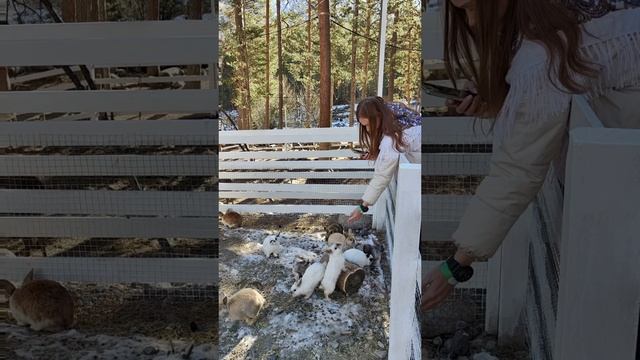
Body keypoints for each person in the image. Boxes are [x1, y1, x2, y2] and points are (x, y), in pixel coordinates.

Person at [421, 0, 640, 310]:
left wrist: (455, 266)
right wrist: (500, 103)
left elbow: (517, 170)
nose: (470, 22)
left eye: (472, 7)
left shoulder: (542, 57)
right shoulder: (565, 18)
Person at [347, 97, 421, 224]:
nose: (368, 130)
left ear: (378, 117)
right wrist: (378, 155)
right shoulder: (401, 119)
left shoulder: (392, 139)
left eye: (369, 125)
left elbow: (382, 176)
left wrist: (363, 206)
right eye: (365, 126)